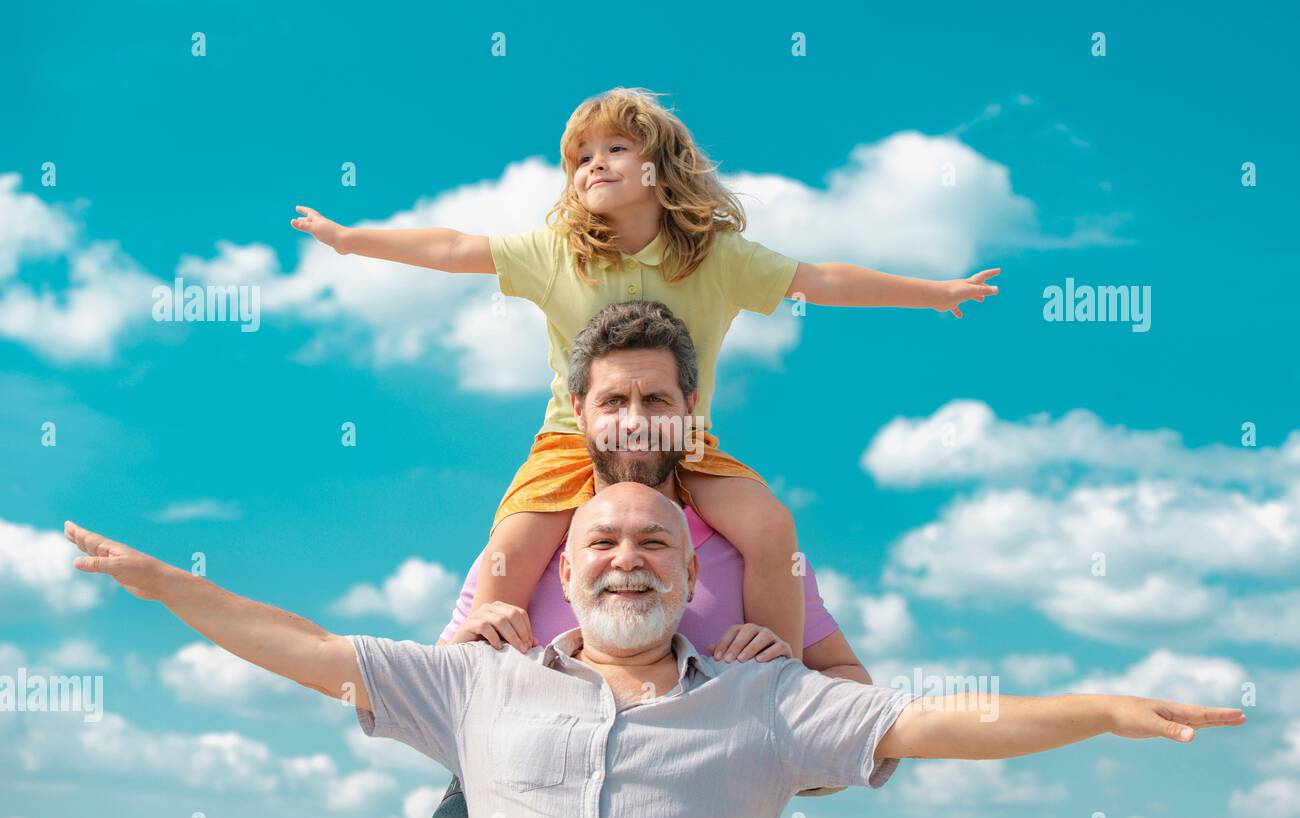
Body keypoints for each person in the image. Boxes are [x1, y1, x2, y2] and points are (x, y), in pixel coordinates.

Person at [64, 485, 1245, 818]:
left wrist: (1096, 709)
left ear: (690, 578)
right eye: (601, 544)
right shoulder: (479, 684)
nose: (625, 555)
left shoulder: (771, 698)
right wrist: (170, 582)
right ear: (563, 576)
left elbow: (940, 717)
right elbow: (308, 647)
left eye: (654, 544)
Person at [290, 85, 1000, 658]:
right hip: (575, 440)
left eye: (616, 148)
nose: (593, 164)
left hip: (683, 440)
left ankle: (781, 693)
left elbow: (820, 278)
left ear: (661, 166)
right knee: (509, 547)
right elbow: (451, 246)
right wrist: (351, 241)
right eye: (580, 158)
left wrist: (933, 293)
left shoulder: (718, 258)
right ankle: (472, 718)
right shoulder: (556, 251)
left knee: (772, 525)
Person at [429, 298, 869, 818]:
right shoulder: (519, 550)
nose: (635, 422)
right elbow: (428, 705)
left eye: (656, 399)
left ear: (690, 406)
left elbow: (854, 694)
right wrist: (456, 661)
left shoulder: (755, 553)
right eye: (613, 400)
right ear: (579, 410)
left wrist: (793, 700)